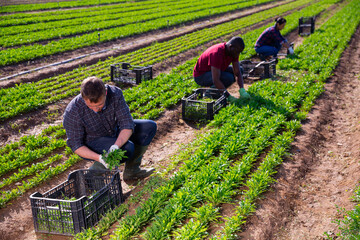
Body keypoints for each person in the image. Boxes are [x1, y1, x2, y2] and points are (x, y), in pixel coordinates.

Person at [63, 76, 157, 181]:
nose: (95, 110)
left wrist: (116, 146)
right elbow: (76, 145)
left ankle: (132, 171)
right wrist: (99, 158)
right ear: (83, 97)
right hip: (92, 142)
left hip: (113, 131)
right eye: (90, 106)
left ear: (106, 93)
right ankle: (89, 177)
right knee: (126, 148)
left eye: (99, 105)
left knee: (149, 127)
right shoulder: (73, 110)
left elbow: (126, 123)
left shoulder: (115, 94)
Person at [193, 36, 250, 101]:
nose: (238, 54)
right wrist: (228, 96)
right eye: (237, 52)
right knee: (228, 78)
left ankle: (218, 89)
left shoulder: (233, 51)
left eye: (239, 52)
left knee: (240, 70)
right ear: (230, 47)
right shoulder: (216, 53)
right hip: (201, 76)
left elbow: (237, 72)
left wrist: (242, 89)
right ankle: (210, 93)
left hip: (216, 68)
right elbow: (216, 80)